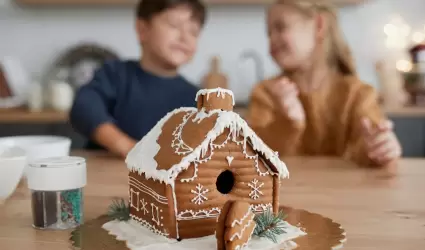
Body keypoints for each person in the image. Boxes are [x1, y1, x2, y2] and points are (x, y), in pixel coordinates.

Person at [246, 0, 401, 168]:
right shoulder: (264, 94)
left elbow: (365, 147)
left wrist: (381, 147)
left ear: (319, 25)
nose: (271, 40)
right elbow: (253, 157)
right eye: (269, 33)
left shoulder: (357, 94)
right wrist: (287, 124)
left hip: (345, 193)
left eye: (280, 28)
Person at [69, 0, 206, 158]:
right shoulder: (115, 75)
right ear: (143, 30)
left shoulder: (197, 97)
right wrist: (125, 146)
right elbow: (84, 107)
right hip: (106, 176)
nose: (185, 38)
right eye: (174, 25)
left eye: (194, 32)